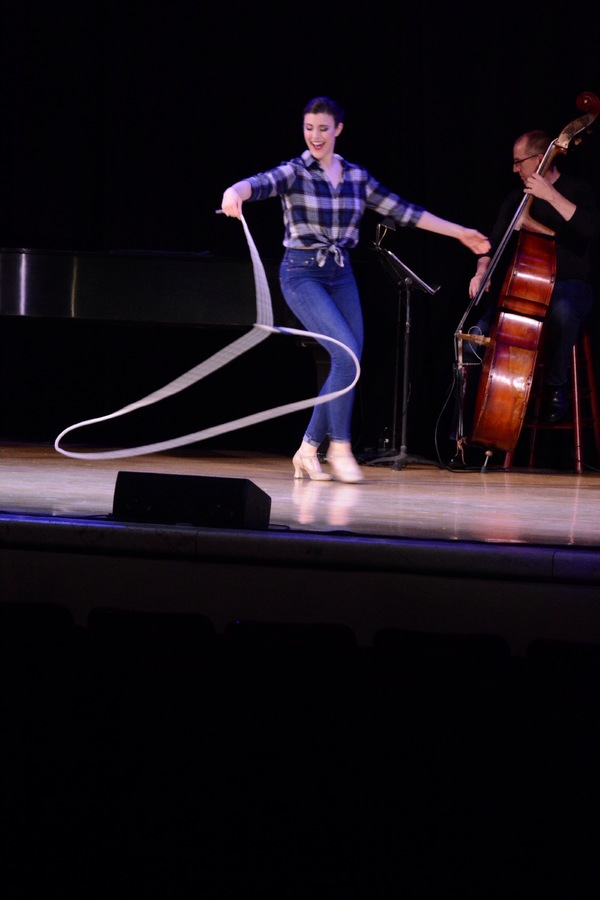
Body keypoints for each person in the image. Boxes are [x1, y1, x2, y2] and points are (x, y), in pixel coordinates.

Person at [220, 96, 490, 483]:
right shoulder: (295, 172)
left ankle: (308, 450)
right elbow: (259, 184)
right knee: (345, 354)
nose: (315, 136)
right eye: (309, 128)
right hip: (301, 273)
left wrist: (459, 232)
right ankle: (340, 448)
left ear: (338, 130)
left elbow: (404, 211)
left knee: (351, 360)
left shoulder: (356, 178)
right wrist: (235, 192)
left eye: (323, 129)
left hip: (340, 274)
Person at [466, 129, 599, 427]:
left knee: (563, 310)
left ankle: (556, 384)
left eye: (519, 162)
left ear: (540, 159)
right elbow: (492, 243)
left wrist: (549, 195)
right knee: (474, 333)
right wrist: (481, 271)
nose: (514, 170)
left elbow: (589, 229)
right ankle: (463, 431)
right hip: (525, 289)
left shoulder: (577, 190)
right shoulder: (516, 198)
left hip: (571, 285)